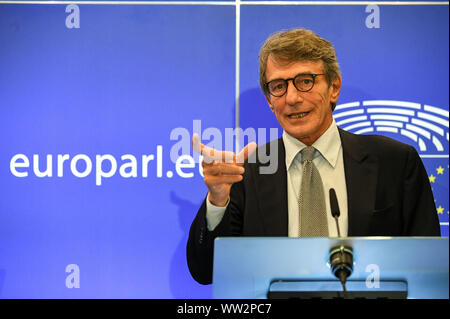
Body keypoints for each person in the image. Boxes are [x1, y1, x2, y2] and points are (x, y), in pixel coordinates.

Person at [186, 29, 441, 285]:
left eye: (305, 81)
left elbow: (429, 271)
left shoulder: (395, 162)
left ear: (334, 88)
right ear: (269, 101)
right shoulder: (248, 170)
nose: (292, 98)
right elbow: (205, 271)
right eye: (279, 86)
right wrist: (218, 200)